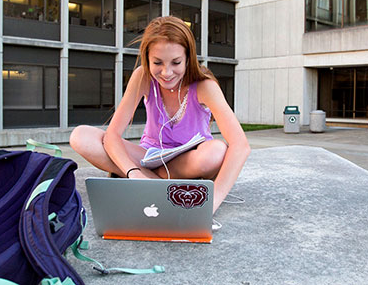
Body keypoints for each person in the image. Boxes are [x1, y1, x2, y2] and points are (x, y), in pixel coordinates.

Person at [70, 16, 250, 213]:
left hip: (190, 161)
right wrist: (133, 172)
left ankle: (153, 182)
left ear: (188, 58)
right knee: (81, 137)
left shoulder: (205, 86)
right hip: (149, 156)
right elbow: (112, 135)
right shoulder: (142, 77)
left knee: (216, 151)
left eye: (176, 62)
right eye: (157, 62)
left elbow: (240, 145)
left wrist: (212, 202)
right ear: (147, 58)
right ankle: (153, 182)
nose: (167, 72)